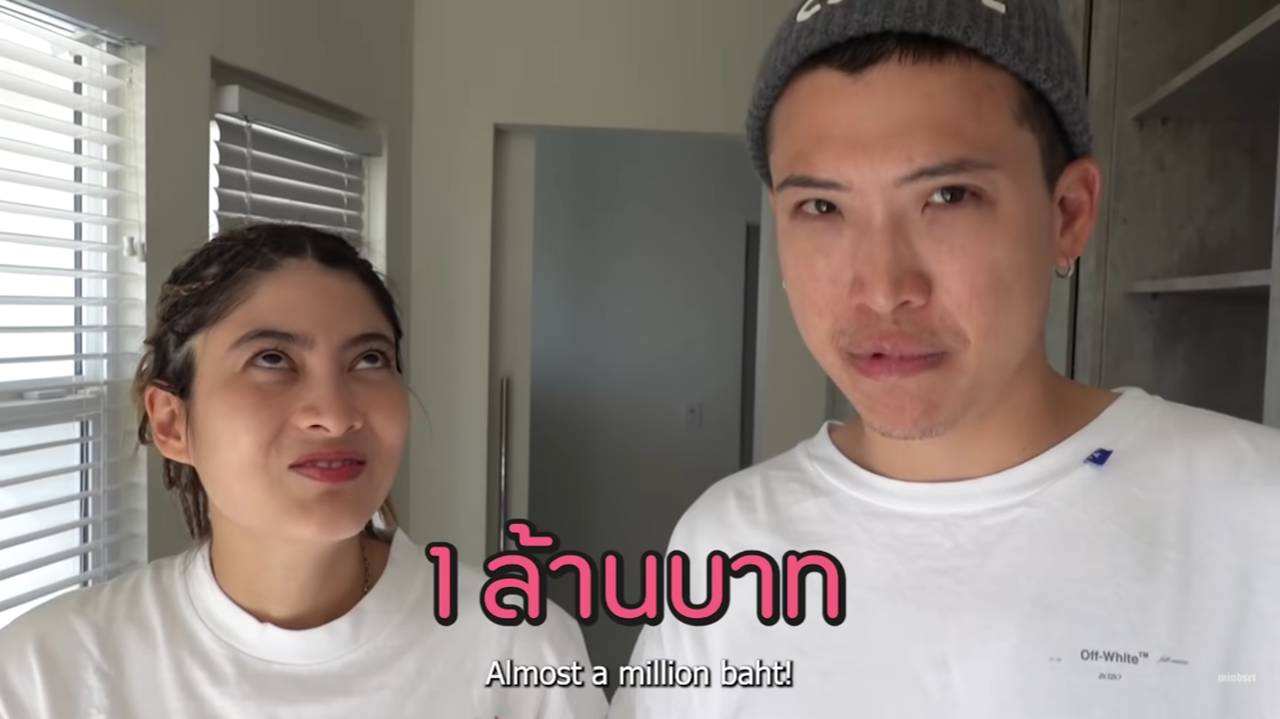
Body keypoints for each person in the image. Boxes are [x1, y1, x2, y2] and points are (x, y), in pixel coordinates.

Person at [609, 1, 1280, 717]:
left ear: (1068, 214)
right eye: (822, 208)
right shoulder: (728, 546)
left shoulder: (1254, 518)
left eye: (948, 196)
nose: (882, 289)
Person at [0, 224, 609, 719]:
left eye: (369, 359)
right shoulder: (47, 670)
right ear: (171, 422)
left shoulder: (517, 646)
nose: (336, 414)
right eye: (272, 359)